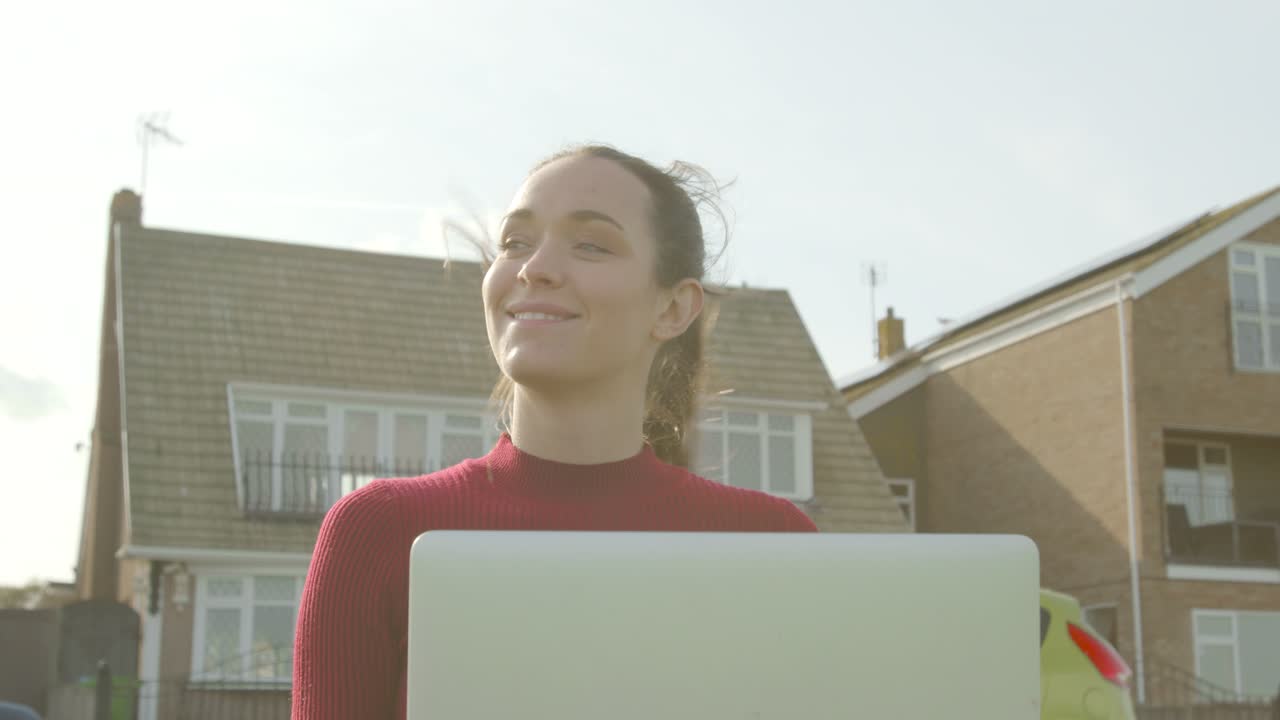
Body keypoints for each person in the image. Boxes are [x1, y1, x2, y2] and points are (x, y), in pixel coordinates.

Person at [290, 145, 818, 719]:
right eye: (515, 243)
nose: (533, 267)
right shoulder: (377, 531)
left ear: (672, 308)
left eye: (591, 244)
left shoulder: (772, 543)